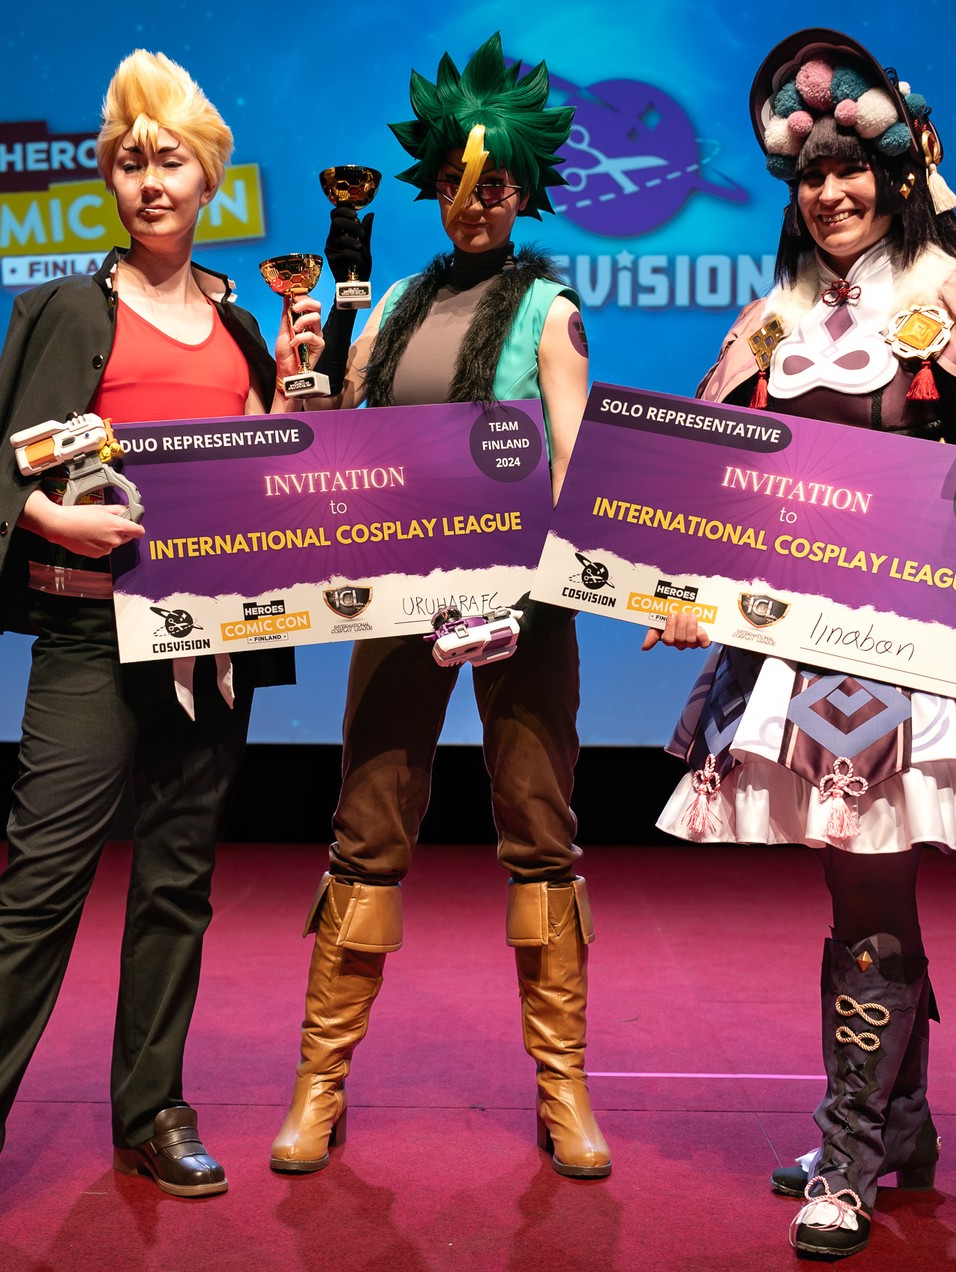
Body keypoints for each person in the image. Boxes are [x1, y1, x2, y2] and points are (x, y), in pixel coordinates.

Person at [643, 27, 956, 1260]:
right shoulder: (770, 318)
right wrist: (679, 590)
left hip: (912, 644)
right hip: (796, 647)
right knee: (860, 884)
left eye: (850, 170)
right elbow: (711, 484)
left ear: (895, 175)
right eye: (810, 174)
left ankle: (847, 1153)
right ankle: (901, 1127)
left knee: (870, 885)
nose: (830, 192)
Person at [0, 48, 321, 1266]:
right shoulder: (66, 309)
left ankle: (151, 1113)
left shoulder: (241, 323)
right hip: (92, 629)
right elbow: (10, 475)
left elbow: (263, 471)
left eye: (171, 161)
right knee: (40, 889)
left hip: (210, 641)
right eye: (132, 162)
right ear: (110, 179)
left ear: (209, 180)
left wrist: (294, 395)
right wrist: (55, 518)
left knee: (178, 883)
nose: (151, 182)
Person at [266, 33, 608, 1181]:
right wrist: (303, 376)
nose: (476, 200)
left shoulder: (549, 309)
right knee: (366, 825)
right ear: (433, 187)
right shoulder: (391, 306)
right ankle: (320, 1081)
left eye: (496, 181)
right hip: (400, 597)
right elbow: (341, 445)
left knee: (539, 828)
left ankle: (563, 1087)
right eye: (459, 183)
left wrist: (588, 576)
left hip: (522, 605)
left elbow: (576, 463)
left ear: (524, 189)